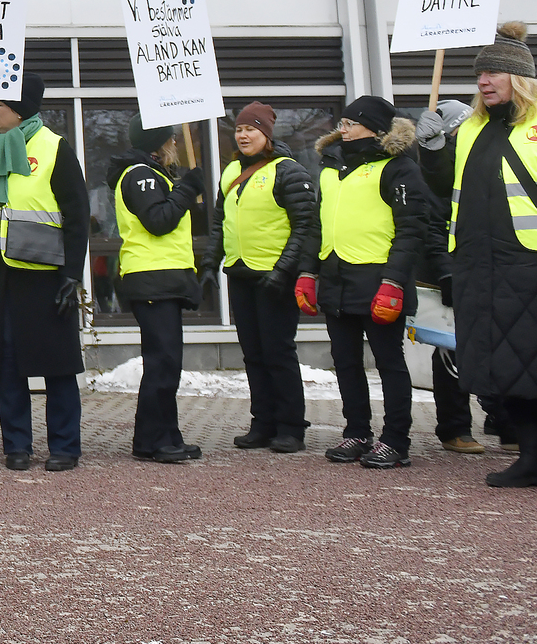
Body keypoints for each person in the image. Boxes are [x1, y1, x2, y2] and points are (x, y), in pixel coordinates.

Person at [417, 22, 537, 495]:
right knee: (506, 369)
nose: (483, 81)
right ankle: (529, 458)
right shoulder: (471, 128)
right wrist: (432, 150)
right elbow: (446, 188)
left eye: (492, 73)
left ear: (519, 77)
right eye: (479, 74)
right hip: (481, 269)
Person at [0, 74, 91, 473]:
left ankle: (65, 447)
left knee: (58, 365)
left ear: (20, 110)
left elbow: (78, 216)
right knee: (7, 365)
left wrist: (72, 274)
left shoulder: (54, 147)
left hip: (46, 274)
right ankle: (17, 446)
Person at [302, 95, 433, 471]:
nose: (342, 130)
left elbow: (412, 229)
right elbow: (317, 224)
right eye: (341, 124)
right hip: (336, 277)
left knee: (389, 363)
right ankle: (357, 432)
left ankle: (396, 440)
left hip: (379, 279)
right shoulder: (330, 167)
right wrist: (308, 272)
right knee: (345, 361)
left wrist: (394, 282)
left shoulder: (399, 167)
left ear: (373, 129)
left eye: (350, 124)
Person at [205, 101, 318, 454]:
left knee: (278, 353)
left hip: (274, 277)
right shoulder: (230, 172)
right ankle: (263, 423)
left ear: (266, 134)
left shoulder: (289, 171)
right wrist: (209, 264)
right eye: (239, 129)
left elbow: (305, 227)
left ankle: (291, 427)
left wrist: (284, 270)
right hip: (241, 273)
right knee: (253, 354)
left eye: (250, 129)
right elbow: (219, 223)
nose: (243, 135)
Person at [110, 116, 210, 464]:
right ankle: (152, 440)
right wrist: (186, 189)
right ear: (159, 142)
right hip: (151, 276)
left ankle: (167, 436)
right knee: (162, 363)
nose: (176, 144)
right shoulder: (141, 175)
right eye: (172, 138)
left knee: (167, 363)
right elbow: (157, 221)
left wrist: (187, 193)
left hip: (163, 277)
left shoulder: (155, 175)